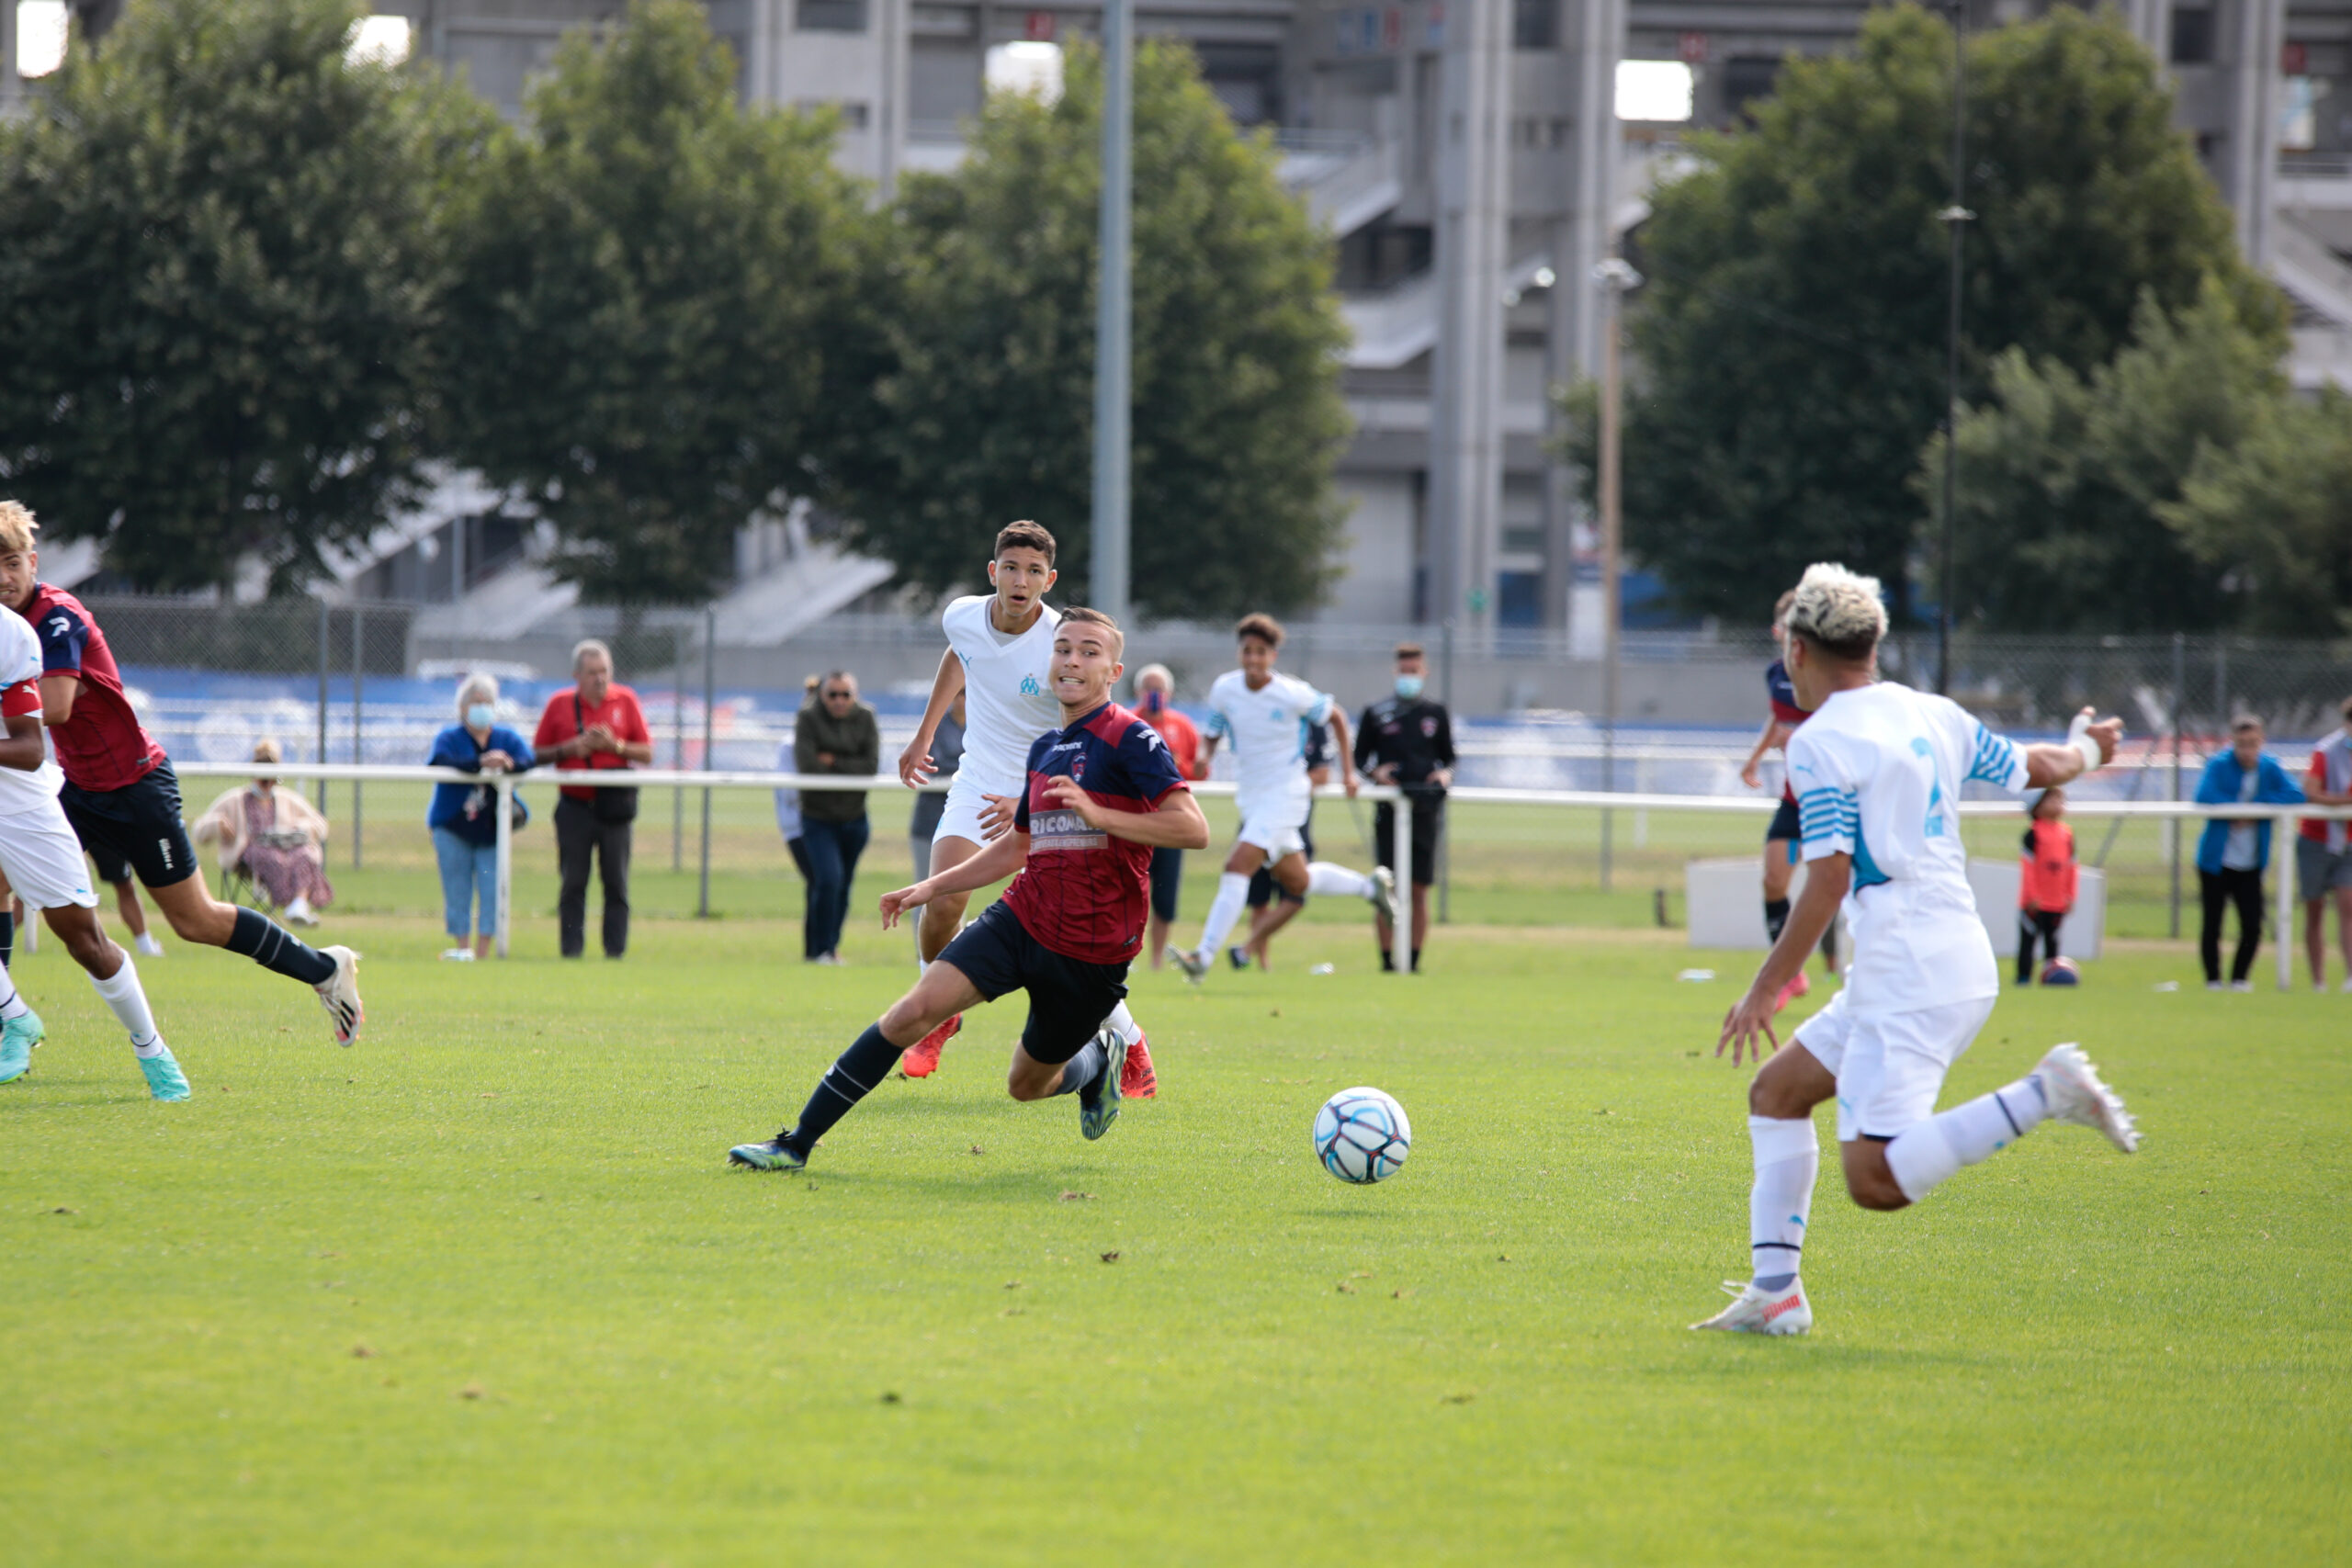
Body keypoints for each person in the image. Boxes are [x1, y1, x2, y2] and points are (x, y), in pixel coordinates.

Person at [1697, 562, 2138, 1337]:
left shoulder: (1819, 741)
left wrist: (1768, 984)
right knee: (1778, 1092)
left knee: (1874, 1179)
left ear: (1799, 649)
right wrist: (2090, 750)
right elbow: (2038, 768)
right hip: (1938, 956)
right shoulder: (1931, 711)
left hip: (1909, 971)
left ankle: (2048, 1092)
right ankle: (1776, 1294)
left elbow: (1827, 879)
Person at [729, 608, 1206, 1172]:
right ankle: (794, 1144)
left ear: (1112, 670)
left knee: (1026, 1085)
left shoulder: (1133, 738)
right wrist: (926, 888)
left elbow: (1192, 828)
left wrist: (1100, 815)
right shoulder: (1046, 748)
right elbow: (1015, 849)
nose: (1073, 660)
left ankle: (1095, 1066)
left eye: (1089, 651)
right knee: (913, 1011)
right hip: (1021, 919)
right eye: (1063, 649)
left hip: (1092, 949)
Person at [0, 502, 363, 1043]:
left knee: (195, 921)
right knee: (3, 879)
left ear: (33, 561)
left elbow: (54, 707)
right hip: (78, 788)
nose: (4, 577)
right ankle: (10, 1020)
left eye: (11, 562)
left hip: (135, 786)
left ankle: (324, 969)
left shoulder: (56, 617)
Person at [895, 521, 1155, 1096]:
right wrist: (924, 733)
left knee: (1062, 937)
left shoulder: (1061, 642)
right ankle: (939, 1015)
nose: (1021, 580)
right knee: (941, 900)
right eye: (1011, 568)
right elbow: (961, 655)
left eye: (1034, 571)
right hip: (978, 780)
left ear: (1050, 579)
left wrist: (1034, 796)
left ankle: (1130, 1041)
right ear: (994, 572)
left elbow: (1081, 721)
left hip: (1045, 789)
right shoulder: (962, 614)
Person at [0, 600, 187, 1099]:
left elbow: (29, 747)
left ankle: (152, 1049)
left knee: (85, 942)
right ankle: (14, 1017)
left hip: (20, 809)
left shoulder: (10, 635)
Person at [1171, 614, 1390, 983]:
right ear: (1239, 652)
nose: (1253, 659)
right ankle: (1371, 887)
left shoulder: (1292, 692)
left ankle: (1202, 957)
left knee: (1237, 865)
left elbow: (1336, 716)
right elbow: (1214, 731)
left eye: (1261, 652)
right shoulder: (1226, 689)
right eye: (1247, 651)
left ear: (1273, 656)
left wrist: (1349, 773)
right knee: (1298, 880)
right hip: (1253, 797)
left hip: (1288, 793)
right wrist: (1204, 757)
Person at [1739, 590, 1837, 1010]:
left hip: (1832, 798)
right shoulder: (1775, 675)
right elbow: (1781, 721)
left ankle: (1845, 967)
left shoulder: (1828, 676)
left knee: (1835, 883)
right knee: (1774, 878)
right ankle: (1789, 975)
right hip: (1796, 797)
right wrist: (1756, 757)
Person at [534, 639, 653, 960]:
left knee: (617, 884)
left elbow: (647, 752)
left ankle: (615, 952)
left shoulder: (626, 700)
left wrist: (614, 747)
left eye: (604, 671)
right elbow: (536, 754)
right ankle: (571, 952)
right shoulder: (559, 705)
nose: (600, 679)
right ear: (577, 675)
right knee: (573, 883)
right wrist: (571, 749)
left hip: (614, 809)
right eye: (592, 673)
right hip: (574, 807)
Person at [1355, 640, 1455, 974]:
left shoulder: (1436, 713)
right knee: (1387, 887)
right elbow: (1360, 760)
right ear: (1395, 671)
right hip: (1389, 810)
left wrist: (1443, 774)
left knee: (1419, 889)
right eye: (1404, 671)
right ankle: (1386, 961)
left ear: (1424, 672)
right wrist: (1376, 774)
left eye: (1415, 671)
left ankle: (1412, 961)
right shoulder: (1377, 712)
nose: (1409, 676)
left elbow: (1450, 757)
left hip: (1425, 811)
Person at [2194, 715, 2305, 991]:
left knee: (2252, 925)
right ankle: (2213, 981)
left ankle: (2240, 979)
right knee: (2212, 924)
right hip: (2216, 862)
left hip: (2251, 862)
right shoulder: (2219, 764)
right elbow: (2204, 795)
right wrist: (2233, 811)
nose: (2247, 750)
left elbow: (2296, 793)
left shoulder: (2269, 767)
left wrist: (2257, 810)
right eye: (2242, 744)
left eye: (2253, 744)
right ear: (2233, 743)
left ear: (2261, 742)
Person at [425, 675, 534, 961]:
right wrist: (479, 764)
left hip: (492, 829)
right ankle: (463, 949)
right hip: (452, 826)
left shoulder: (506, 739)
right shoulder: (449, 737)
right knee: (457, 889)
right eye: (476, 703)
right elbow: (442, 760)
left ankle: (484, 952)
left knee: (492, 889)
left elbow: (528, 760)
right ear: (462, 708)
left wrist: (508, 764)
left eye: (487, 703)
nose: (482, 708)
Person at [191, 739, 335, 927]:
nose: (267, 784)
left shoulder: (286, 799)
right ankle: (290, 904)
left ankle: (299, 905)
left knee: (307, 854)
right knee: (272, 858)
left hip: (287, 849)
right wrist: (218, 825)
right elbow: (199, 830)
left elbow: (319, 825)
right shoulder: (235, 799)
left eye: (271, 779)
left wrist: (300, 828)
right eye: (264, 779)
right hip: (249, 853)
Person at [1230, 718, 1330, 971]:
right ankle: (1260, 962)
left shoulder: (1312, 727)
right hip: (1258, 822)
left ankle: (1245, 950)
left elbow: (1322, 774)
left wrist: (1287, 789)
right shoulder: (1261, 723)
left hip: (1292, 824)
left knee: (1296, 893)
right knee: (1259, 897)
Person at [796, 670, 879, 964]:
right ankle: (818, 949)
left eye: (846, 695)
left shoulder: (867, 716)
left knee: (843, 884)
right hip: (818, 818)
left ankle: (830, 948)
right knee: (827, 880)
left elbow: (870, 767)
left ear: (854, 696)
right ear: (822, 695)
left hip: (855, 817)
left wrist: (833, 760)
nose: (839, 701)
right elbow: (807, 766)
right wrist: (847, 764)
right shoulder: (807, 717)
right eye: (833, 694)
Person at [1132, 665, 1202, 970]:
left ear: (1170, 693)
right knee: (1131, 890)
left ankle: (1157, 960)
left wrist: (1178, 762)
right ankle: (1126, 955)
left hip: (1171, 822)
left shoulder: (1183, 726)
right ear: (1138, 692)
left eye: (1159, 689)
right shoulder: (1127, 722)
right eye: (1148, 688)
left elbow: (1198, 773)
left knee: (1165, 894)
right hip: (1135, 822)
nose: (1154, 695)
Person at [2296, 695, 2352, 992]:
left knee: (2348, 906)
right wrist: (2345, 802)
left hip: (2349, 842)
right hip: (2316, 839)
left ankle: (2350, 977)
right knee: (2314, 909)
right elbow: (2311, 793)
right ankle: (2318, 981)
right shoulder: (2326, 751)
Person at [2017, 788, 2076, 985]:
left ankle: (2052, 978)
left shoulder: (2067, 834)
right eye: (2051, 800)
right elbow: (2028, 867)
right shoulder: (2033, 833)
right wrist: (2032, 895)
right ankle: (2024, 978)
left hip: (2057, 901)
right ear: (2037, 805)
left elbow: (2072, 867)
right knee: (2029, 941)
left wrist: (2070, 895)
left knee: (2053, 942)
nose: (2058, 804)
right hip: (2035, 901)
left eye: (2060, 799)